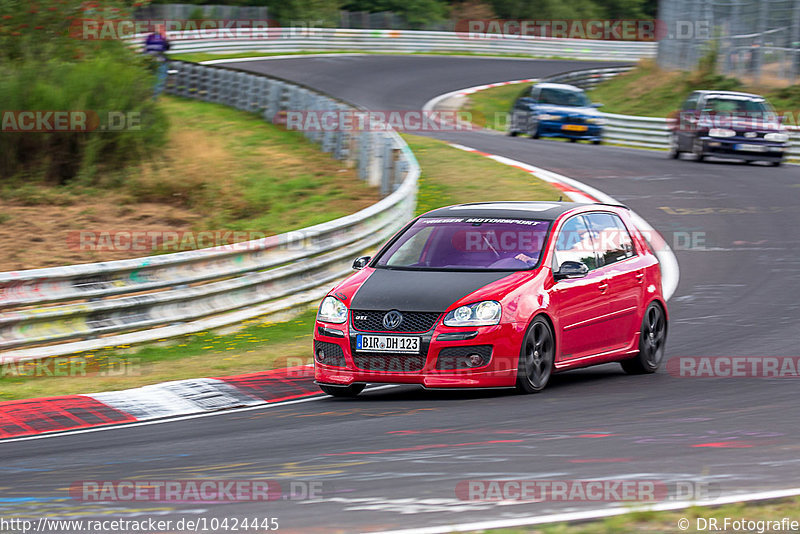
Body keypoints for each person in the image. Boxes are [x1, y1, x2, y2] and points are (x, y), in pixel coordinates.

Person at [144, 24, 170, 99]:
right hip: (160, 61)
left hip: (149, 60)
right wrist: (165, 38)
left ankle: (149, 94)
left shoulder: (149, 37)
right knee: (160, 78)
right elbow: (167, 47)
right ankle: (155, 97)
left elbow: (145, 48)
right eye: (163, 29)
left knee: (151, 78)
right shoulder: (162, 38)